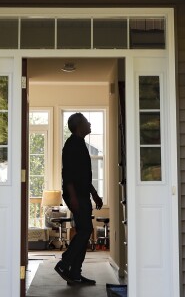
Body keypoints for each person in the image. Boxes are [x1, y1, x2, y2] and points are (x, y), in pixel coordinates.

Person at [54, 112, 103, 286]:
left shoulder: (80, 144)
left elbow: (83, 176)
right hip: (75, 195)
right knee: (85, 230)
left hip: (82, 193)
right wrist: (73, 197)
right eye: (86, 121)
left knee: (84, 230)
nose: (90, 123)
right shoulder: (71, 145)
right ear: (79, 125)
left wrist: (94, 194)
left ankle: (75, 274)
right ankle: (64, 264)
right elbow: (67, 174)